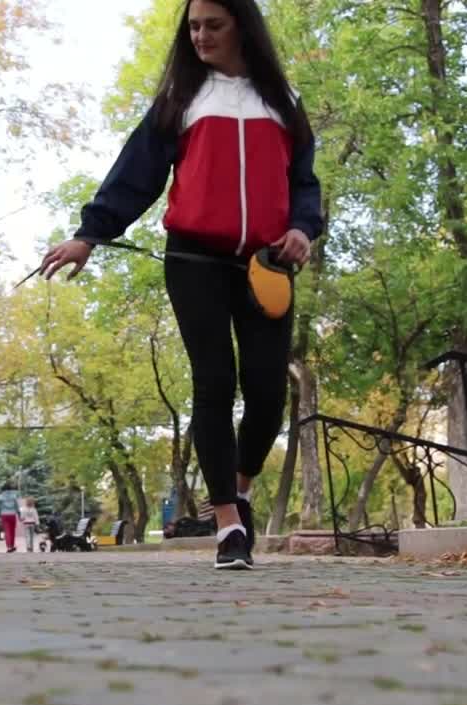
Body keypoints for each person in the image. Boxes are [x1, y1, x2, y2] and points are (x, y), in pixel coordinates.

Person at [40, 0, 323, 570]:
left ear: (241, 25)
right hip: (194, 259)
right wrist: (89, 235)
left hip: (266, 265)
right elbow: (135, 174)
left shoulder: (283, 103)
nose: (199, 36)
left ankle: (239, 488)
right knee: (214, 381)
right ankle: (227, 527)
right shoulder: (182, 99)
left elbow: (304, 182)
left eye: (212, 25)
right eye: (192, 26)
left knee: (267, 394)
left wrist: (302, 228)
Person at [0, 482, 21, 553]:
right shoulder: (14, 496)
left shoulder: (1, 496)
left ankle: (9, 547)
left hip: (4, 515)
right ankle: (12, 546)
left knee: (7, 531)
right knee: (12, 531)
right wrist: (19, 514)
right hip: (12, 515)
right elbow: (17, 506)